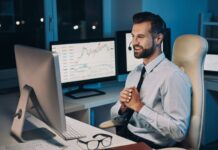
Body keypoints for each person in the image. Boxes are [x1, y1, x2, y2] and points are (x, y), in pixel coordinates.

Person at [111, 11, 192, 149]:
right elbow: (114, 115)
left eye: (140, 37)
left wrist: (139, 107)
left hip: (151, 144)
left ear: (158, 39)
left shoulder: (172, 76)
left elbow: (179, 132)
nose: (134, 42)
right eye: (133, 36)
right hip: (126, 136)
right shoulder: (134, 73)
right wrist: (122, 108)